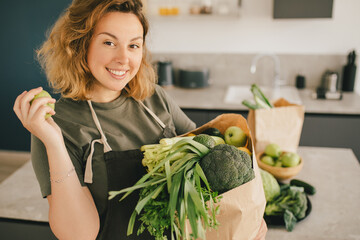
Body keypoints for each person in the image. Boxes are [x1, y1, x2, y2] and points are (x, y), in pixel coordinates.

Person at [13, 0, 196, 239]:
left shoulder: (154, 98)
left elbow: (205, 153)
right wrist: (54, 142)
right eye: (109, 42)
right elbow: (79, 234)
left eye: (133, 45)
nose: (123, 58)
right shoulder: (56, 124)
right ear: (80, 45)